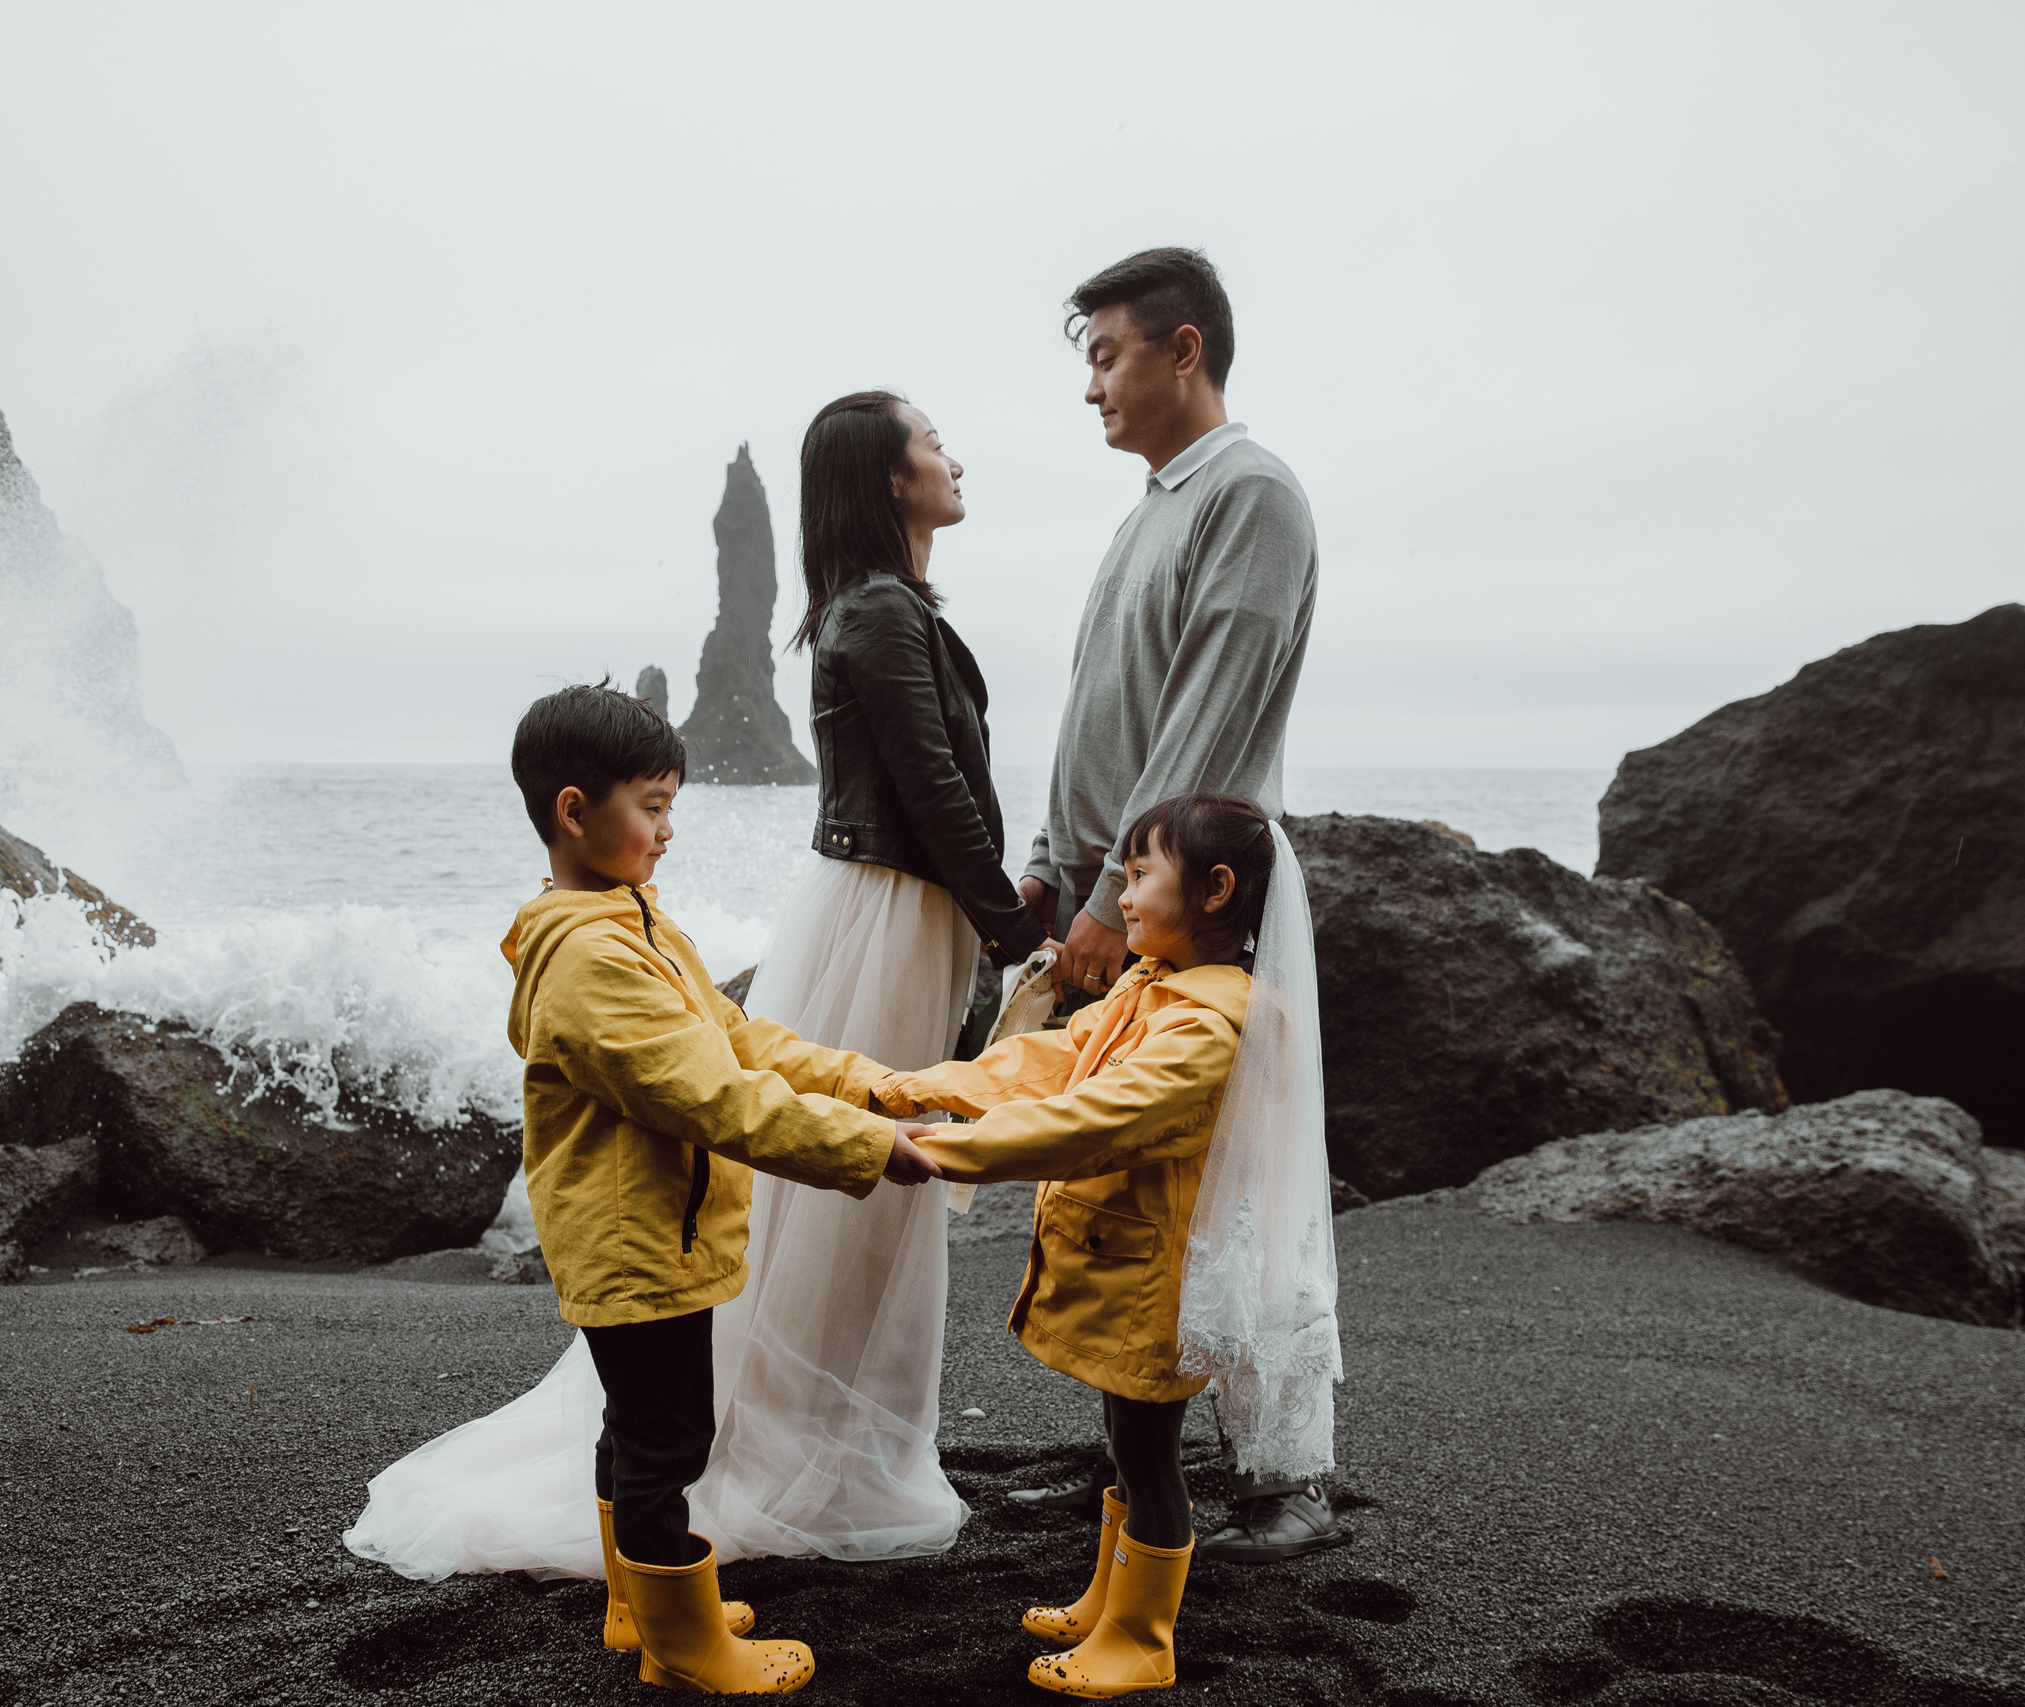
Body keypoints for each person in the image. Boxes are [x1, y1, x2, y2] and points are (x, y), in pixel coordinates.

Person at [347, 683, 947, 1695]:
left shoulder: (633, 920)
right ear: (575, 811)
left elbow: (737, 1038)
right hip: (634, 1244)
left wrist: (871, 1086)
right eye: (653, 806)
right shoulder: (591, 958)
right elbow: (712, 1095)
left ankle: (638, 1604)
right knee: (669, 1439)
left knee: (637, 1429)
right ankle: (683, 1643)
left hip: (655, 1234)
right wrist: (865, 1146)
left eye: (672, 806)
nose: (669, 830)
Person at [1011, 247, 1337, 1562]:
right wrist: (1051, 863)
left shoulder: (1251, 494)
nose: (1090, 385)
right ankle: (1140, 1463)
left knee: (1243, 1188)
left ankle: (1285, 1476)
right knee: (1142, 1194)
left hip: (1204, 901)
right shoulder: (1151, 506)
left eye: (1107, 355)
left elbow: (1204, 723)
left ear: (1183, 349)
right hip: (1132, 892)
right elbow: (1101, 706)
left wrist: (1113, 894)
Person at [876, 793, 1341, 1697]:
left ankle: (1140, 1634)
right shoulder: (1152, 988)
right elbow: (1050, 1063)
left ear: (1215, 889)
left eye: (1139, 875)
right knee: (1128, 1445)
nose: (1121, 896)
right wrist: (909, 1089)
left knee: (1150, 1457)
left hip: (1159, 1280)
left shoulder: (1208, 1025)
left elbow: (1096, 1119)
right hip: (1132, 1267)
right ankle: (1108, 1597)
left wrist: (942, 1148)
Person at [703, 390, 1050, 1560]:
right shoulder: (881, 612)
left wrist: (995, 911)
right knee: (865, 1177)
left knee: (854, 1177)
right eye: (933, 442)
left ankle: (827, 1441)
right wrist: (1010, 926)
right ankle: (811, 1458)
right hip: (892, 914)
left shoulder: (876, 606)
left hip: (889, 905)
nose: (954, 459)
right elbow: (928, 784)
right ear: (889, 478)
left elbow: (931, 784)